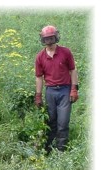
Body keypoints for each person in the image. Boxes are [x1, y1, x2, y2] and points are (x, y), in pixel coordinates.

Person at [34, 25, 79, 153]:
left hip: (65, 90)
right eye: (46, 39)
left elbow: (73, 70)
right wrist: (38, 95)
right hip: (50, 91)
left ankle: (61, 150)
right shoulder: (40, 57)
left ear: (56, 37)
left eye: (51, 38)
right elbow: (38, 77)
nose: (49, 41)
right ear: (43, 39)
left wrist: (74, 89)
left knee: (63, 123)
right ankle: (47, 148)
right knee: (51, 122)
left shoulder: (66, 52)